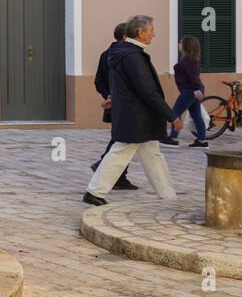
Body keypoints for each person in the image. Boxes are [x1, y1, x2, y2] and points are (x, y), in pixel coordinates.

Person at [85, 14, 181, 206]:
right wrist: (171, 116)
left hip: (135, 115)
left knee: (152, 154)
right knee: (120, 152)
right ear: (140, 32)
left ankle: (168, 194)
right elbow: (147, 91)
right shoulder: (133, 56)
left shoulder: (123, 53)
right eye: (151, 30)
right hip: (136, 117)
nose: (153, 34)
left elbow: (122, 86)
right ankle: (94, 191)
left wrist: (113, 99)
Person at [91, 22, 138, 190]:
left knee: (122, 139)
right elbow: (99, 81)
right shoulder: (123, 55)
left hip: (117, 102)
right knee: (122, 139)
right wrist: (110, 95)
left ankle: (119, 176)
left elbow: (98, 81)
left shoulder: (107, 54)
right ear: (126, 36)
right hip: (122, 104)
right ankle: (104, 164)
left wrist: (109, 94)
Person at [161, 35, 209, 148]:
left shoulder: (188, 61)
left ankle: (173, 138)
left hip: (189, 91)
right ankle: (202, 140)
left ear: (186, 46)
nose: (179, 44)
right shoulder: (191, 59)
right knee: (196, 115)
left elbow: (193, 77)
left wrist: (197, 89)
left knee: (175, 113)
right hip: (193, 90)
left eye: (181, 43)